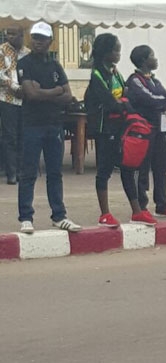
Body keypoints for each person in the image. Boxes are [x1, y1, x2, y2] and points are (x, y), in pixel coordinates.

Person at [17, 22, 81, 234]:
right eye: (35, 37)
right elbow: (31, 94)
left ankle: (59, 215)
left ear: (50, 42)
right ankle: (26, 217)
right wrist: (55, 91)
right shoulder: (24, 64)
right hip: (32, 125)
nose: (37, 41)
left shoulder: (56, 66)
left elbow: (68, 96)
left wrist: (45, 92)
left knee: (55, 172)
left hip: (54, 125)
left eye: (42, 38)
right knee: (29, 173)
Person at [83, 33, 148, 227]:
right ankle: (105, 213)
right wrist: (122, 103)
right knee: (104, 171)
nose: (119, 54)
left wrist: (124, 102)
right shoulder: (97, 75)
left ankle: (137, 211)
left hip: (121, 128)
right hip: (105, 130)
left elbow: (125, 92)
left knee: (128, 168)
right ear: (105, 52)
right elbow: (110, 101)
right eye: (115, 50)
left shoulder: (115, 72)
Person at [126, 46, 166, 220]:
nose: (156, 59)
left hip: (160, 130)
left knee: (161, 167)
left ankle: (162, 204)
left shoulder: (155, 81)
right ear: (143, 61)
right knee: (142, 169)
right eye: (152, 56)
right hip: (143, 131)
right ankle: (142, 205)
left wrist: (162, 102)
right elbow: (147, 99)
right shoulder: (135, 80)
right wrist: (162, 102)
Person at [0, 25, 28, 186]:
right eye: (8, 34)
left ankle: (20, 171)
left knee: (23, 135)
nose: (10, 37)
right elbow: (1, 74)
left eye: (14, 34)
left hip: (25, 100)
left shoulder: (27, 53)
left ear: (22, 35)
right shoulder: (2, 51)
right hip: (7, 99)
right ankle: (11, 173)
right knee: (9, 136)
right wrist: (16, 88)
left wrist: (27, 89)